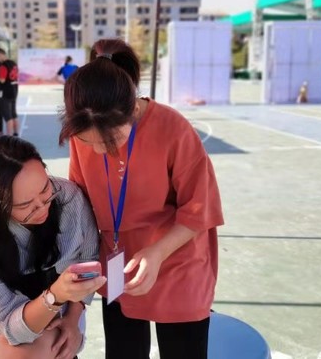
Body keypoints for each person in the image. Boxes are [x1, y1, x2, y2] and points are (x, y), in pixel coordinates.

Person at [59, 38, 224, 359]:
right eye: (87, 141)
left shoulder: (173, 129)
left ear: (133, 109)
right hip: (117, 262)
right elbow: (80, 200)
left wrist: (158, 251)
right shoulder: (87, 126)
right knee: (123, 352)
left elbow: (199, 208)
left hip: (177, 259)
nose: (99, 150)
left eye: (110, 140)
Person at [0, 136, 104, 359]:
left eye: (45, 189)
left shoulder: (69, 198)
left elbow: (89, 257)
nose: (42, 207)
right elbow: (11, 328)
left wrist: (73, 319)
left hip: (61, 310)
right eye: (25, 205)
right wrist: (55, 295)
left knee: (9, 356)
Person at [0, 48, 19, 136]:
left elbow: (2, 80)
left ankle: (9, 136)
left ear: (0, 55)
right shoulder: (14, 63)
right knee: (13, 114)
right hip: (14, 89)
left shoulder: (3, 66)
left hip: (6, 92)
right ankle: (16, 133)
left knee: (7, 116)